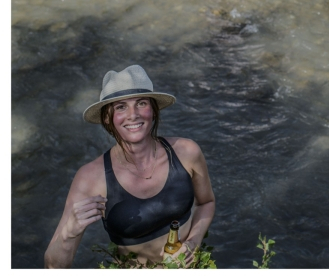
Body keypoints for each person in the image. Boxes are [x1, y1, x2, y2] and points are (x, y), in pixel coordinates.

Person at [44, 65, 215, 268]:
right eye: (121, 107)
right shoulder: (91, 178)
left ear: (153, 109)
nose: (133, 115)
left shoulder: (186, 152)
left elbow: (206, 203)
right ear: (107, 117)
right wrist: (69, 234)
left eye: (141, 103)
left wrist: (193, 243)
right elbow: (53, 267)